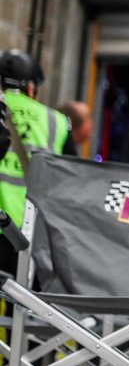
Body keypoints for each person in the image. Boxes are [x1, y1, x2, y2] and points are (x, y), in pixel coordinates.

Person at [0, 49, 74, 275]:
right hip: (26, 232)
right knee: (19, 294)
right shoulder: (56, 122)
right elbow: (71, 180)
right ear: (31, 87)